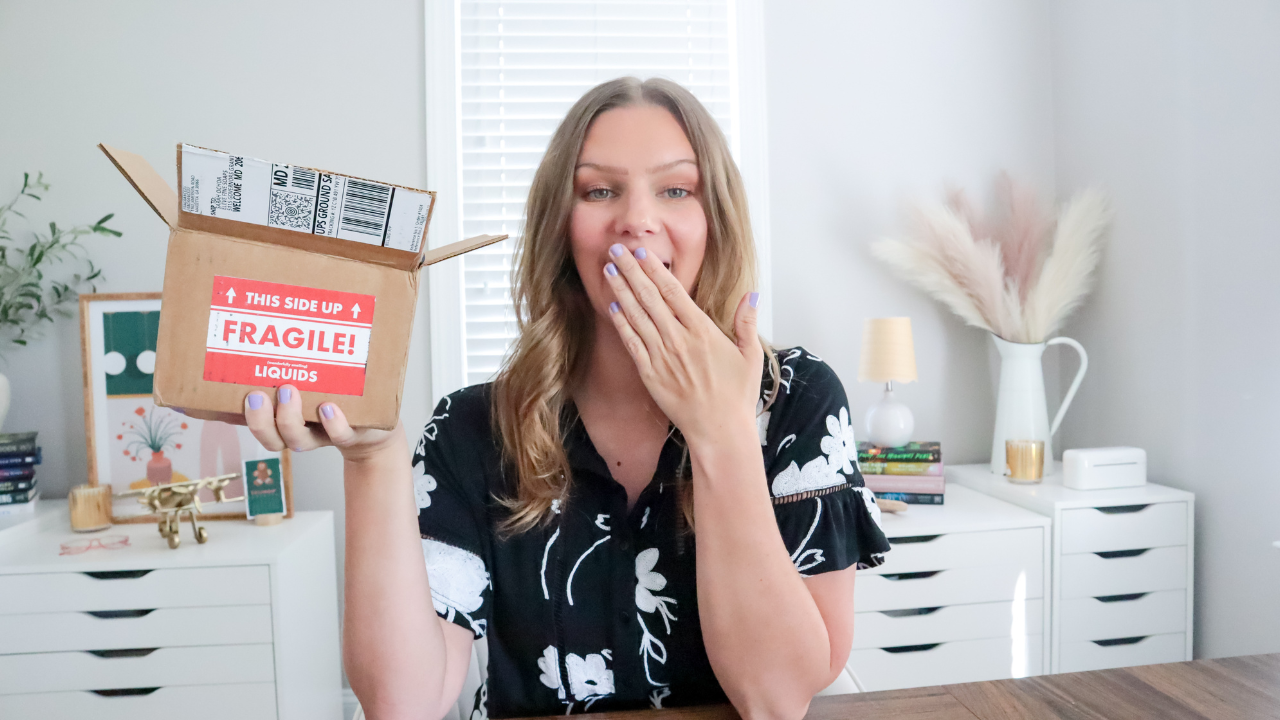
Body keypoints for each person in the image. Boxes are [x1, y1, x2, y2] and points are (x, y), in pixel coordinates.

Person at [244, 77, 890, 720]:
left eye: (676, 189)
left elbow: (776, 699)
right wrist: (371, 460)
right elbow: (401, 704)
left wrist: (720, 430)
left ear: (714, 222)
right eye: (599, 190)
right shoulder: (473, 428)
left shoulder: (798, 400)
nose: (636, 218)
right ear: (561, 228)